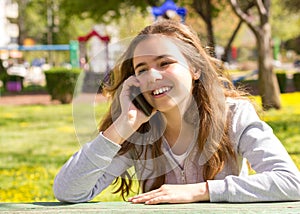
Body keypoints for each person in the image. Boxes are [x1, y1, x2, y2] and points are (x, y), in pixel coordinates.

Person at [53, 20, 300, 204]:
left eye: (165, 63)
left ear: (194, 68)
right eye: (142, 69)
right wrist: (121, 127)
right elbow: (69, 191)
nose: (152, 76)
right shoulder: (139, 130)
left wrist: (202, 190)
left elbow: (291, 182)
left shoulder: (234, 115)